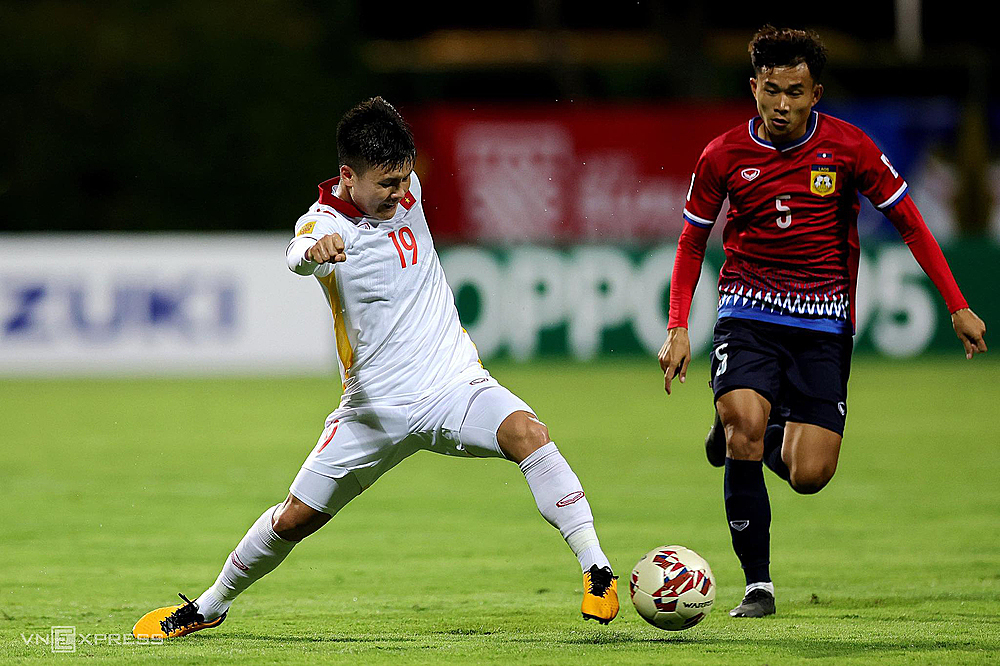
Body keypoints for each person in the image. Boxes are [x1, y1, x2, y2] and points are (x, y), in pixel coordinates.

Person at [133, 97, 619, 639]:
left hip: (452, 385)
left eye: (405, 178)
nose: (400, 193)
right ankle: (208, 606)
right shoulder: (320, 224)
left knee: (528, 432)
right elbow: (296, 253)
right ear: (347, 176)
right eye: (387, 183)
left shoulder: (407, 195)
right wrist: (316, 251)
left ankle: (596, 569)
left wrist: (386, 127)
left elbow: (388, 136)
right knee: (294, 518)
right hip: (372, 411)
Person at [658, 26, 988, 619]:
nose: (782, 104)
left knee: (809, 475)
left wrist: (957, 303)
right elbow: (691, 241)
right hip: (747, 312)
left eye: (796, 91)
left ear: (816, 93)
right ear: (753, 88)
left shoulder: (850, 149)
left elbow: (910, 223)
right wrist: (678, 324)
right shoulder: (723, 155)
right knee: (744, 428)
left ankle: (750, 429)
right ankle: (757, 585)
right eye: (772, 90)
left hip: (823, 323)